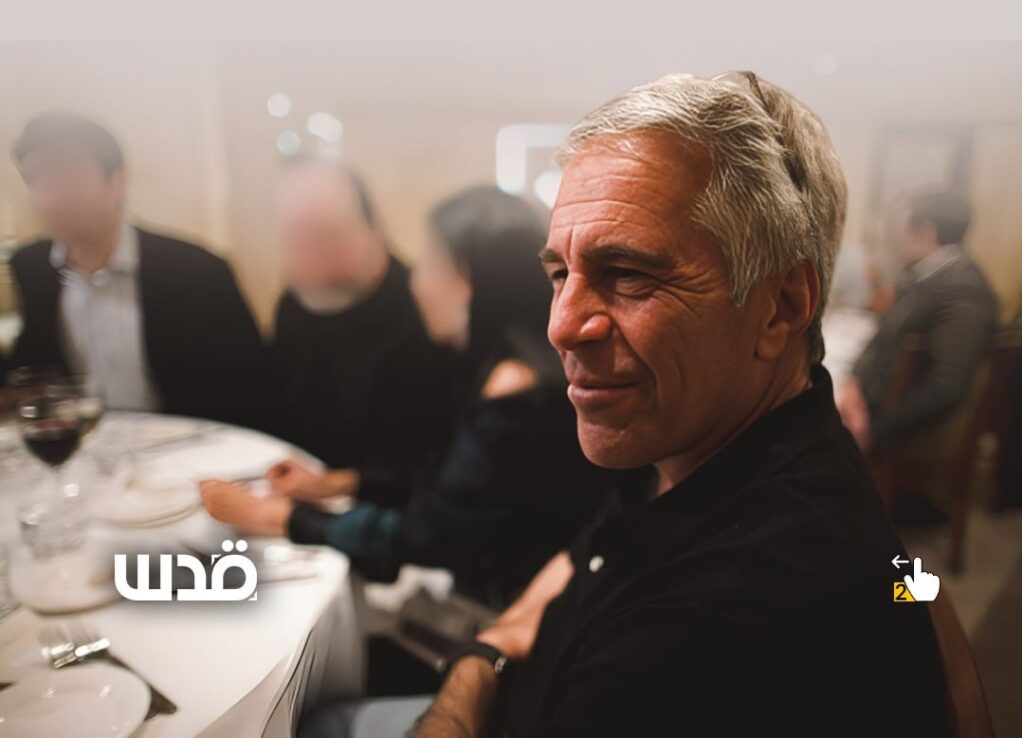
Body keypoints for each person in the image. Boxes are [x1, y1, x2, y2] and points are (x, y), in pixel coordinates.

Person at [399, 71, 951, 737]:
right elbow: (583, 555)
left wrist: (476, 663)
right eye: (560, 274)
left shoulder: (717, 621)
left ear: (781, 307)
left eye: (627, 274)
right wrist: (496, 646)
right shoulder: (695, 443)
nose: (562, 326)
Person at [202, 185, 624, 605]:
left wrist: (276, 516)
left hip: (514, 604)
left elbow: (425, 535)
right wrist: (332, 483)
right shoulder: (503, 360)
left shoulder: (514, 385)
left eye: (430, 264)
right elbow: (446, 482)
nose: (416, 283)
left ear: (467, 281)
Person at [7, 111, 269, 427]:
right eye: (36, 179)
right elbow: (29, 370)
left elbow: (251, 393)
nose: (51, 195)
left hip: (183, 443)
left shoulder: (197, 273)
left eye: (67, 174)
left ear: (116, 182)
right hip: (82, 441)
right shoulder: (33, 268)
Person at [269, 158, 455, 482]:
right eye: (295, 239)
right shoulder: (291, 306)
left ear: (371, 231)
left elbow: (425, 459)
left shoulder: (422, 312)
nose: (308, 255)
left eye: (323, 237)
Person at [838, 190, 998, 451]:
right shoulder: (929, 276)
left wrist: (873, 432)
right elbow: (882, 336)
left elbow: (947, 387)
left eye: (898, 227)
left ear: (925, 231)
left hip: (895, 433)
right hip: (867, 405)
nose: (893, 237)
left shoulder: (962, 290)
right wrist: (854, 384)